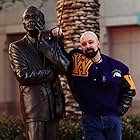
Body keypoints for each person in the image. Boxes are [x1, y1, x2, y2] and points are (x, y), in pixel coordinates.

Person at [8, 6, 69, 140]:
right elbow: (23, 76)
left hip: (53, 106)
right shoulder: (17, 47)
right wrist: (51, 72)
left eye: (34, 17)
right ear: (23, 23)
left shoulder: (50, 43)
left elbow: (65, 68)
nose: (30, 20)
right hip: (34, 108)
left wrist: (47, 46)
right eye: (27, 17)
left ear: (42, 21)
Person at [67, 31, 136, 140]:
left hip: (113, 120)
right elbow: (59, 57)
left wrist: (120, 110)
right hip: (91, 120)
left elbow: (130, 89)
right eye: (84, 44)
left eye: (91, 42)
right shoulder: (77, 69)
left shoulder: (117, 66)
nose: (88, 46)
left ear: (98, 44)